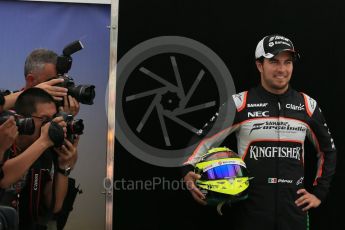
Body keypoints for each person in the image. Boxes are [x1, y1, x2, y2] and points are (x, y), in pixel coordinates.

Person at [182, 34, 337, 230]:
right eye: (274, 61)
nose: (282, 69)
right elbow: (202, 140)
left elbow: (328, 151)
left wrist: (319, 193)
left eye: (287, 62)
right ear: (259, 65)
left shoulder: (308, 105)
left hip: (294, 213)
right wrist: (187, 171)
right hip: (250, 212)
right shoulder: (240, 104)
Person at [0, 88, 78, 229]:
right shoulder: (4, 138)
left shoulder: (44, 150)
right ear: (24, 119)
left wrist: (63, 168)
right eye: (44, 120)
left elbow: (54, 205)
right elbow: (3, 178)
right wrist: (43, 142)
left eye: (53, 119)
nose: (50, 126)